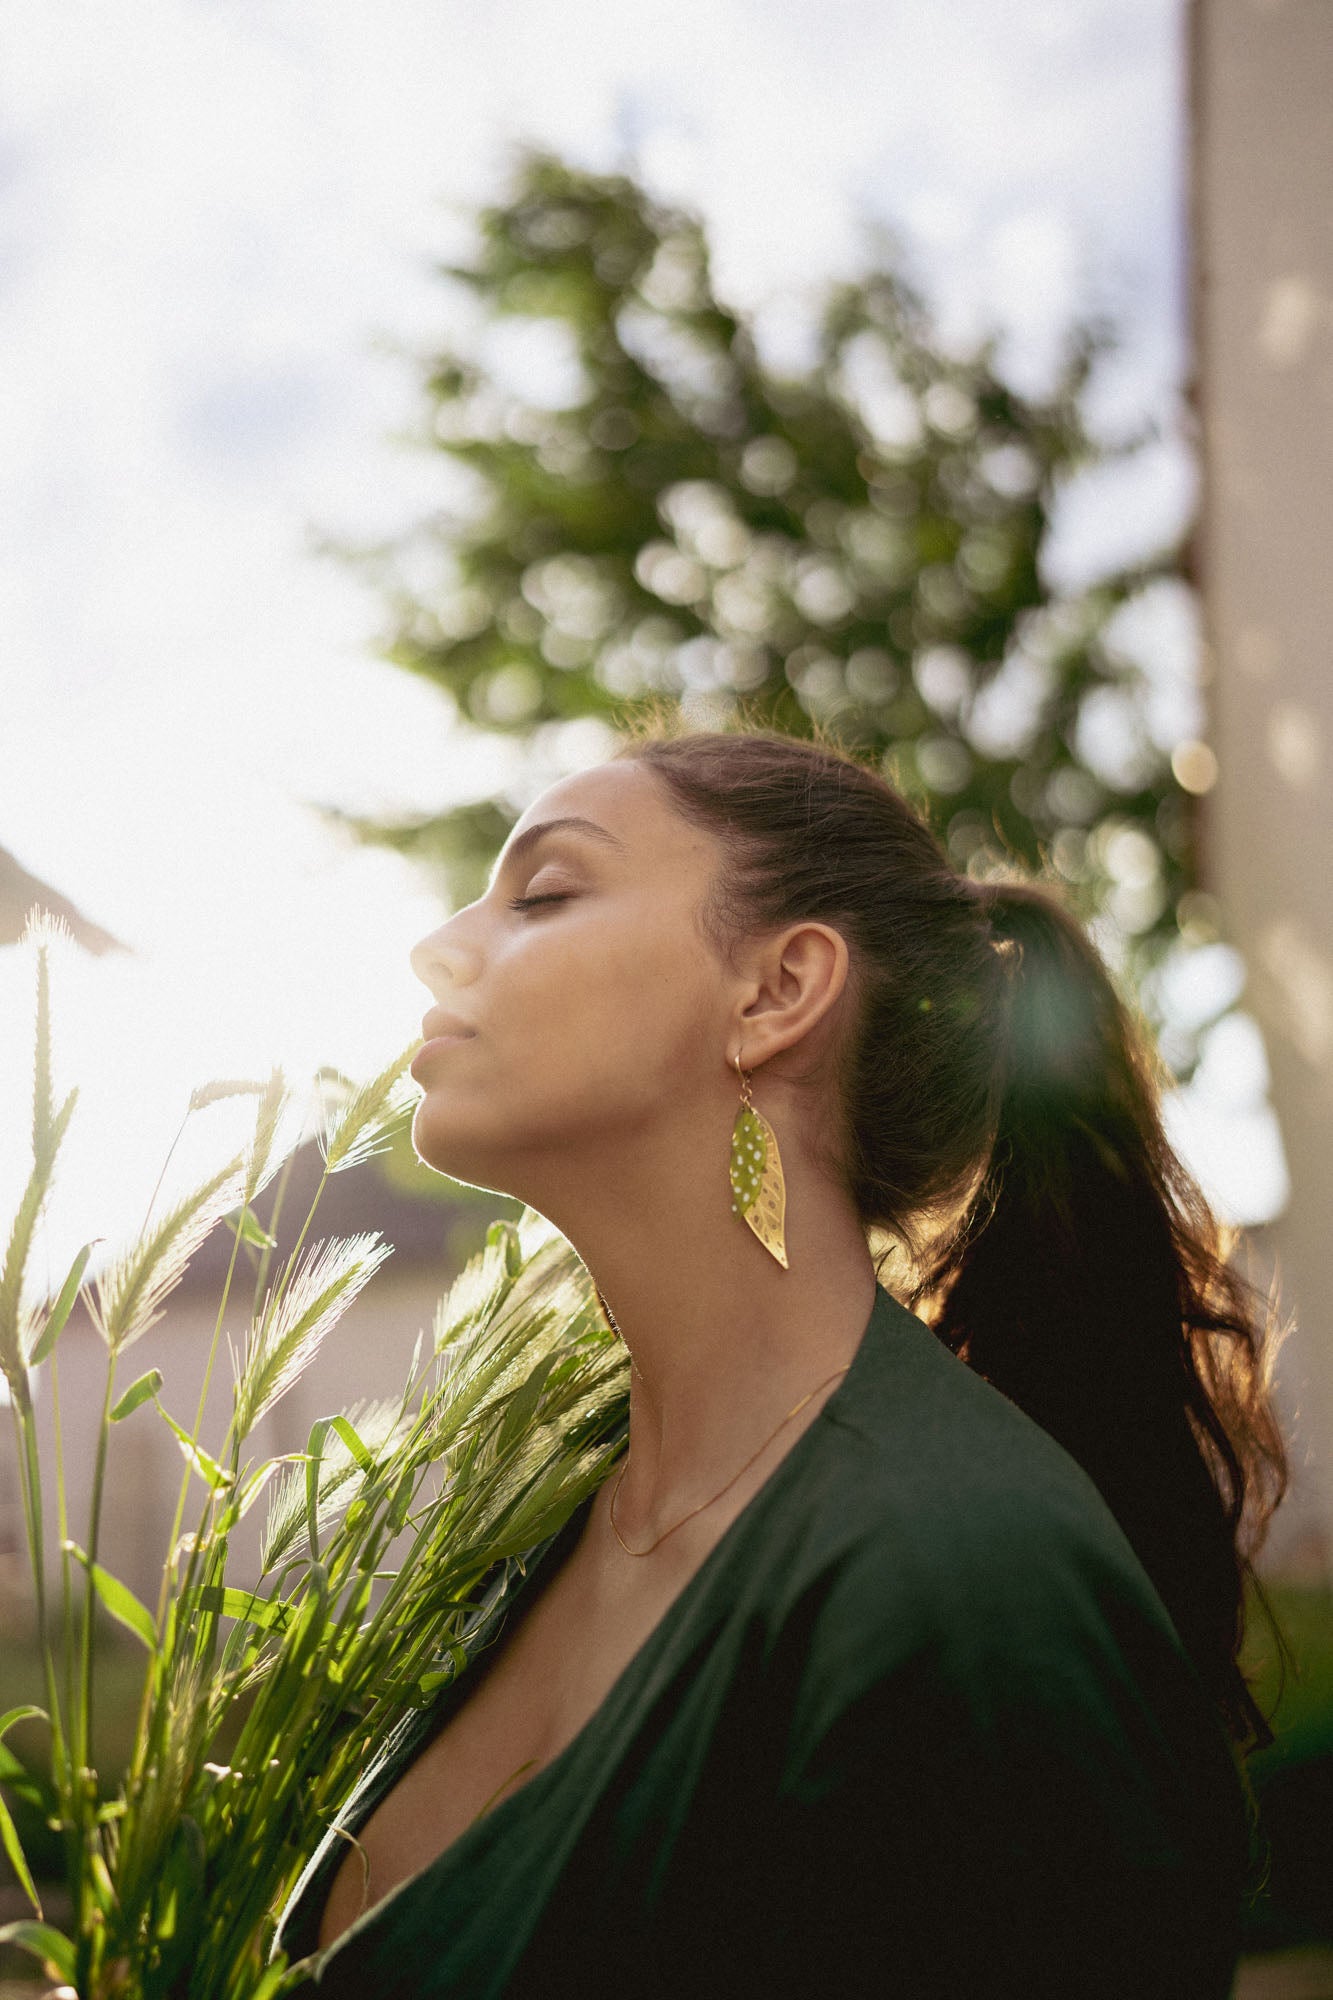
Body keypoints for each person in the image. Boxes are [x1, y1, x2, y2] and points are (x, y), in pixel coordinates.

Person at [275, 722, 1289, 1997]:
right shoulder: (544, 1527)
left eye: (544, 892)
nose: (443, 944)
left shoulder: (963, 1584)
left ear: (776, 991)